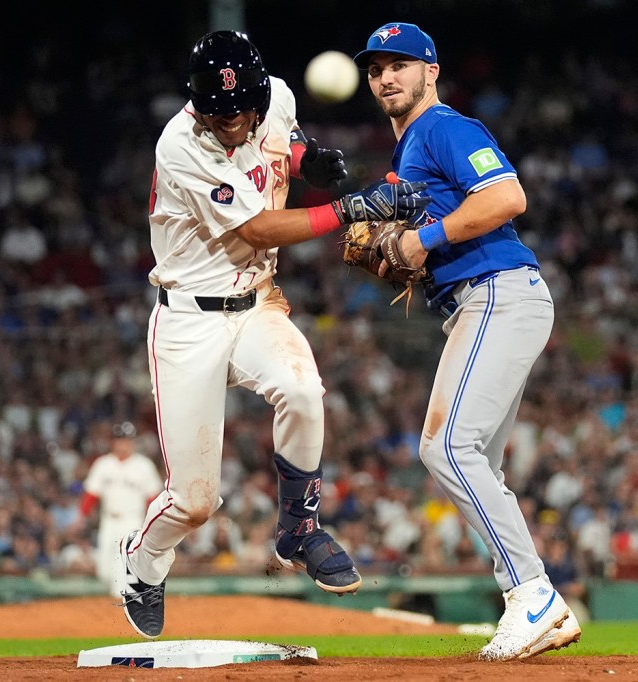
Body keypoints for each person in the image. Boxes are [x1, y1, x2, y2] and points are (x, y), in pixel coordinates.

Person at [119, 29, 430, 640]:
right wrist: (350, 208)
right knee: (195, 501)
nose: (232, 123)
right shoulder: (180, 143)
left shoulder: (278, 98)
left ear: (260, 94)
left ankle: (300, 528)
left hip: (256, 300)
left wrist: (305, 161)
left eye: (242, 111)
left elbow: (281, 146)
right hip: (189, 318)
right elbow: (259, 228)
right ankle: (143, 563)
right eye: (219, 113)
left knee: (303, 390)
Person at [352, 22, 581, 660]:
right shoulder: (408, 156)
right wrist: (403, 254)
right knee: (475, 459)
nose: (386, 76)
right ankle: (533, 601)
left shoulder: (444, 128)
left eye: (400, 64)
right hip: (480, 301)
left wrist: (419, 241)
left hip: (499, 293)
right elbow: (423, 236)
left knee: (446, 448)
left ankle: (532, 596)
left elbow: (507, 196)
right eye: (376, 69)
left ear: (431, 71)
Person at [75, 421, 162, 595]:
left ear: (133, 442)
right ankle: (123, 598)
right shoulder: (103, 464)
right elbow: (91, 494)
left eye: (127, 440)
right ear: (113, 442)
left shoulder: (143, 465)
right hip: (109, 521)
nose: (123, 444)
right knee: (105, 570)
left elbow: (153, 498)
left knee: (125, 566)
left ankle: (124, 604)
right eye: (119, 440)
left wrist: (153, 524)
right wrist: (81, 516)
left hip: (133, 520)